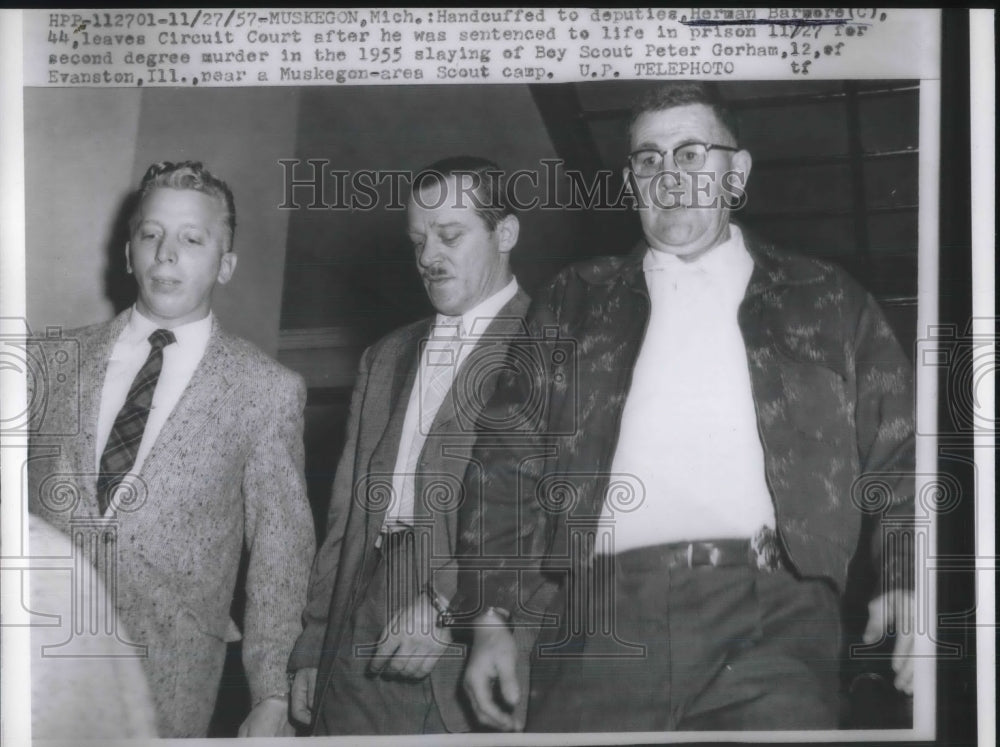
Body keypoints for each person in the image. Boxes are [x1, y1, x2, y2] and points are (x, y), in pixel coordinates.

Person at [456, 83, 916, 732]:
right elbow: (503, 460)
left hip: (773, 621)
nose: (669, 177)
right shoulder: (574, 300)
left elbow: (905, 454)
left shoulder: (826, 298)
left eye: (691, 154)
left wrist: (909, 578)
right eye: (648, 159)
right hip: (600, 624)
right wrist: (489, 619)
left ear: (738, 172)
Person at [28, 161, 315, 738]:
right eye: (151, 234)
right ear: (128, 250)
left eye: (192, 239)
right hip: (37, 643)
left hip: (172, 663)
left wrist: (271, 693)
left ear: (225, 265)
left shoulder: (265, 390)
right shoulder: (48, 360)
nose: (166, 254)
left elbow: (281, 555)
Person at [286, 156, 536, 735]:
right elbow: (346, 514)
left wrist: (453, 605)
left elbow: (558, 508)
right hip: (361, 614)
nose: (428, 257)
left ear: (505, 232)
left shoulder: (553, 339)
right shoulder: (386, 355)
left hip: (473, 633)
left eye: (450, 235)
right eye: (418, 240)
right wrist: (314, 645)